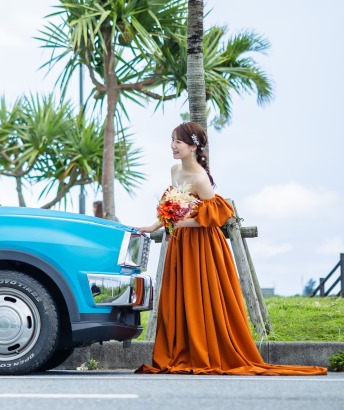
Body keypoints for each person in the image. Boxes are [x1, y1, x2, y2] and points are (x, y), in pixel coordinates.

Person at [134, 122, 326, 376]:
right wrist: (154, 226)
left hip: (202, 245)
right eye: (172, 140)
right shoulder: (175, 170)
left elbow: (214, 215)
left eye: (178, 141)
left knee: (201, 296)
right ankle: (182, 349)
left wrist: (180, 223)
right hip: (180, 242)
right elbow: (171, 206)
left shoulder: (200, 178)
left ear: (193, 147)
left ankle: (206, 350)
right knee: (177, 297)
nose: (172, 146)